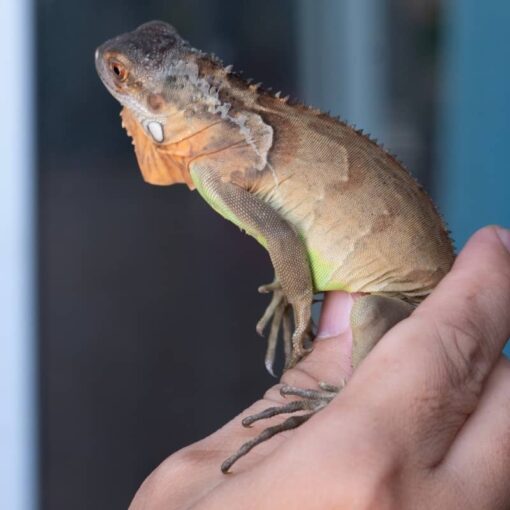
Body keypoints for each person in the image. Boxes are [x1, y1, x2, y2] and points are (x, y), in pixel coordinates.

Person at [129, 226, 510, 509]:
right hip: (424, 338)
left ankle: (339, 395)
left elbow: (282, 234)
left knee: (366, 313)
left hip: (411, 317)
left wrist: (340, 397)